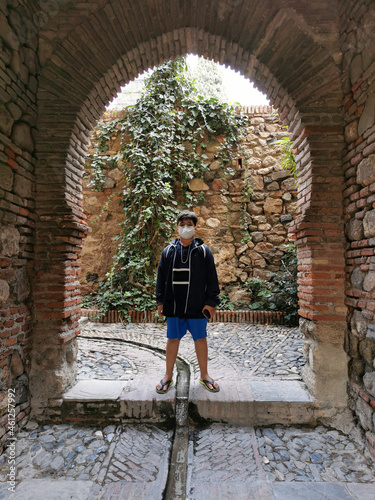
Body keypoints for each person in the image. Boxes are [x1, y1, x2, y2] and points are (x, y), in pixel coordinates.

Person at [155, 209, 221, 394]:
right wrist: (160, 301)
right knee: (172, 340)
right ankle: (168, 375)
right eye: (182, 225)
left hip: (198, 306)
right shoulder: (168, 252)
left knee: (200, 339)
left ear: (195, 227)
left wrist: (211, 303)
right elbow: (161, 278)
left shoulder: (203, 252)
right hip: (174, 305)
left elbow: (212, 278)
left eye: (189, 225)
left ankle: (205, 375)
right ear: (177, 228)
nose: (186, 228)